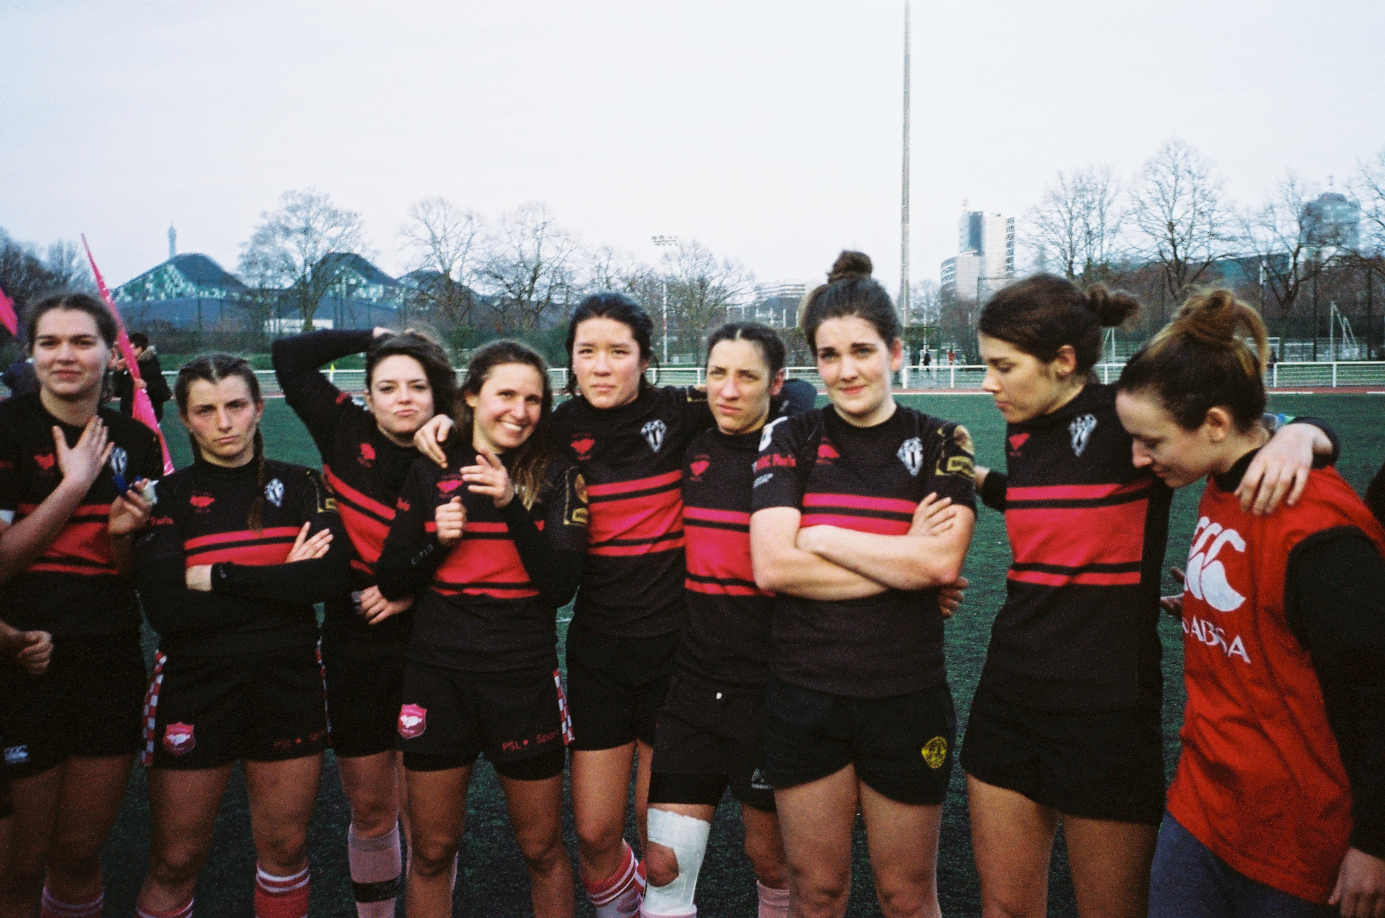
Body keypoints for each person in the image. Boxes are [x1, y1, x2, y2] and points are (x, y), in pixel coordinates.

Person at [966, 274, 1335, 918]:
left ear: (1063, 362)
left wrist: (1303, 432)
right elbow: (1047, 504)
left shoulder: (1132, 416)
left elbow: (1245, 425)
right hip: (1007, 693)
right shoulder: (1020, 431)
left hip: (1106, 707)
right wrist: (976, 478)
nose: (987, 383)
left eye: (1002, 366)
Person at [1114, 290, 1385, 918]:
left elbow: (1374, 691)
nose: (1137, 458)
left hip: (1293, 840)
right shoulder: (1224, 476)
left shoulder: (1318, 529)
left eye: (1150, 441)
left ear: (1213, 423)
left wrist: (1374, 842)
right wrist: (1214, 609)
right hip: (1203, 806)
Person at [749, 251, 975, 918]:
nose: (845, 370)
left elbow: (937, 566)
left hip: (904, 696)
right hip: (804, 694)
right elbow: (772, 568)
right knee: (816, 891)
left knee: (905, 896)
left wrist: (819, 538)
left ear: (895, 352)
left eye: (861, 350)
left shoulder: (941, 439)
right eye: (828, 354)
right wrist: (898, 559)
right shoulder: (788, 434)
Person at [131, 354, 350, 918]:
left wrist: (219, 577)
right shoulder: (166, 498)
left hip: (289, 682)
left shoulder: (304, 485)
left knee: (285, 848)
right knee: (175, 859)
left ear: (258, 408)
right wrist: (282, 581)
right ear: (184, 418)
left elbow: (326, 579)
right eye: (206, 410)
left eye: (235, 405)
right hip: (194, 686)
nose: (224, 422)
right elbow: (168, 610)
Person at [376, 339, 586, 917]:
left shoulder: (558, 474)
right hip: (437, 678)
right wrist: (434, 543)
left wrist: (512, 506)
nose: (520, 411)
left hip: (521, 680)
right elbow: (393, 579)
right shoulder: (433, 465)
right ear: (472, 396)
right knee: (433, 850)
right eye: (505, 395)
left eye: (533, 399)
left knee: (541, 848)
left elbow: (560, 586)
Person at [273, 326, 457, 917]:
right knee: (372, 809)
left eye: (417, 386)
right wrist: (379, 334)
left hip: (436, 646)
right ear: (367, 395)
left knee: (428, 822)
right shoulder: (342, 428)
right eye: (387, 386)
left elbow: (485, 559)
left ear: (438, 394)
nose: (403, 398)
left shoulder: (461, 446)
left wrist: (410, 597)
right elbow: (289, 356)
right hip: (354, 644)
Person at [0, 292, 162, 918]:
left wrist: (124, 537)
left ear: (110, 354)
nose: (65, 355)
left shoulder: (136, 441)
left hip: (108, 658)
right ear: (31, 353)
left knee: (77, 852)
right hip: (21, 663)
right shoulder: (8, 431)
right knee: (18, 863)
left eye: (82, 342)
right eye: (49, 343)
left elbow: (128, 576)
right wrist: (71, 488)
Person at [640, 322, 794, 918]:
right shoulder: (691, 443)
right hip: (694, 689)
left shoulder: (797, 452)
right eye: (716, 374)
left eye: (746, 376)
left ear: (777, 383)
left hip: (771, 692)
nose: (727, 390)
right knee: (664, 867)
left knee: (772, 861)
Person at [111, 332, 173, 420]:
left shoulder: (151, 367)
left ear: (139, 348)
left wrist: (146, 386)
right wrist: (118, 371)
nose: (126, 352)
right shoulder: (129, 367)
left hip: (149, 420)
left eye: (130, 349)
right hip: (130, 418)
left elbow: (164, 394)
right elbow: (118, 391)